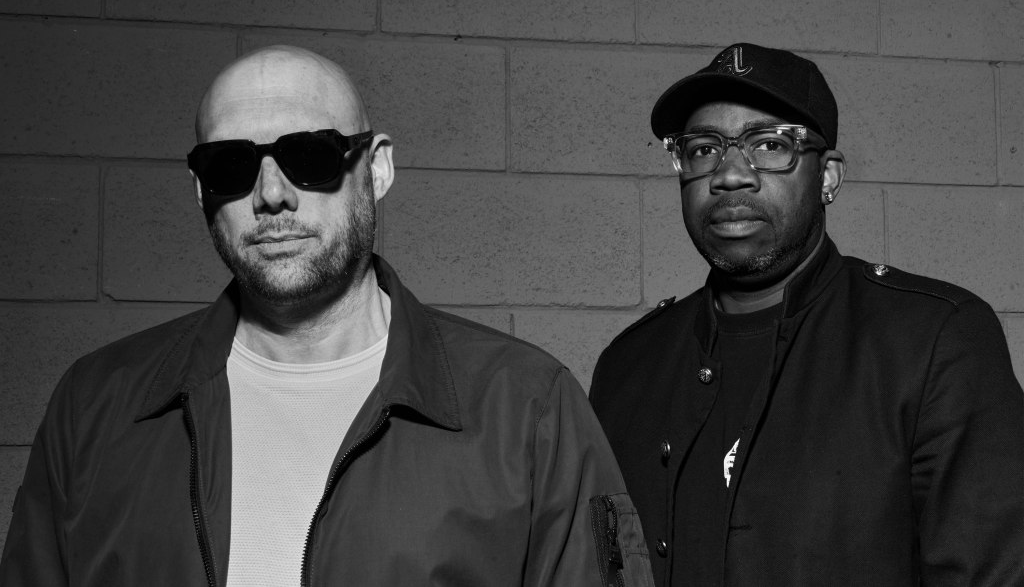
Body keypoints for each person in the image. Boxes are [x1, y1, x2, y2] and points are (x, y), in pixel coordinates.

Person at [1, 45, 654, 587]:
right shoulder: (95, 405)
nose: (272, 195)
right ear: (201, 190)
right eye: (231, 165)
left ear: (377, 169)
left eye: (309, 156)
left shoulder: (527, 406)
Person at [589, 42, 1024, 586]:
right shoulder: (628, 367)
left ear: (828, 177)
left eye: (770, 145)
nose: (730, 175)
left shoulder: (934, 340)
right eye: (703, 149)